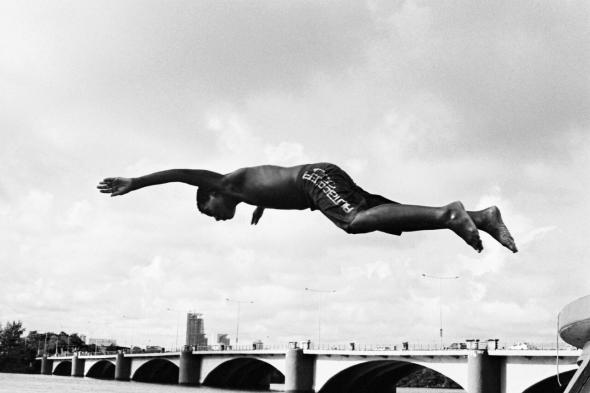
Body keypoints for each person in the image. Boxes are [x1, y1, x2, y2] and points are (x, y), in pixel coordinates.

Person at [97, 163, 517, 253]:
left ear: (212, 196)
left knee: (353, 222)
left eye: (212, 212)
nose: (220, 219)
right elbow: (270, 194)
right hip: (316, 185)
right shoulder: (249, 196)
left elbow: (181, 174)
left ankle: (450, 215)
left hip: (314, 181)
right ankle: (482, 218)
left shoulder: (226, 184)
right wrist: (263, 208)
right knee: (385, 219)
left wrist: (136, 182)